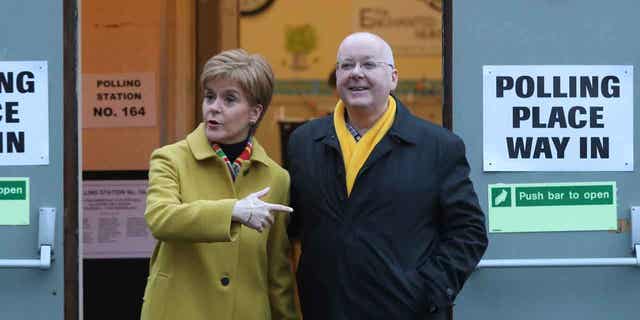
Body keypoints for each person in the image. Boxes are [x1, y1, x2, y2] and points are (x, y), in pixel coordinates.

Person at [286, 32, 488, 320]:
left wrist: (430, 290)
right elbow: (293, 226)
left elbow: (469, 232)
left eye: (369, 65)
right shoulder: (304, 142)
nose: (356, 73)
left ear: (393, 77)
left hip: (407, 312)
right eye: (346, 65)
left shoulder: (437, 146)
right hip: (326, 310)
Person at [141, 49, 299, 320]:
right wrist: (233, 212)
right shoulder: (171, 159)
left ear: (254, 112)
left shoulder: (276, 177)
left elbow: (278, 273)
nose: (214, 107)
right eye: (210, 96)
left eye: (229, 99)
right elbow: (160, 218)